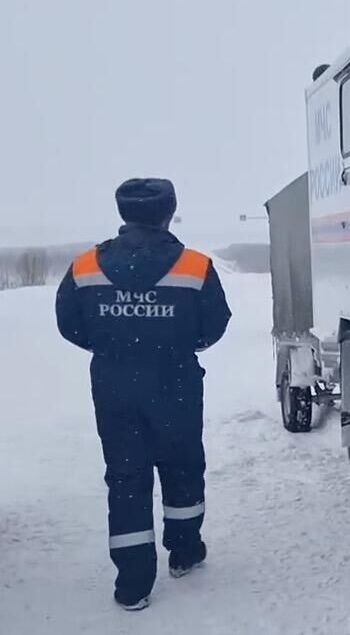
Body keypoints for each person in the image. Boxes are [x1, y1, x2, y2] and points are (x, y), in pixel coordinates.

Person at [55, 178, 232, 611]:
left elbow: (68, 323)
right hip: (175, 384)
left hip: (114, 386)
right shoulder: (194, 265)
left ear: (124, 214)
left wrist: (111, 346)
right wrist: (177, 345)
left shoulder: (85, 266)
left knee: (126, 478)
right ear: (169, 212)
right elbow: (215, 323)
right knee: (182, 465)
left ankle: (133, 583)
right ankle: (185, 551)